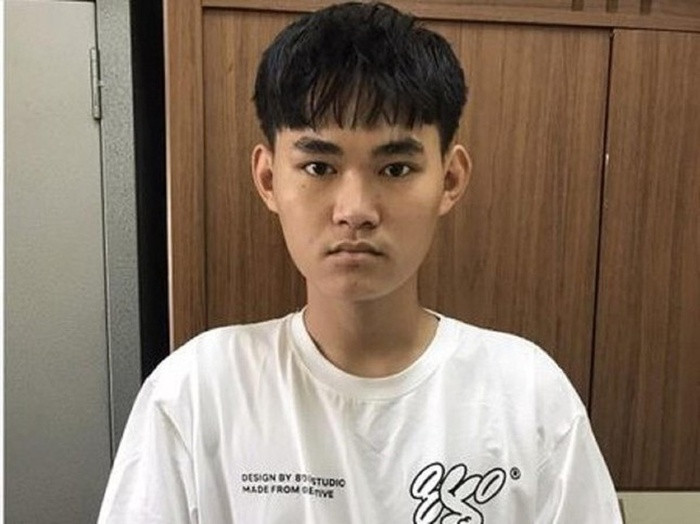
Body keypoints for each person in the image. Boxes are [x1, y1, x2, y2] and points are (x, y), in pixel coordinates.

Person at [98, 2, 622, 522]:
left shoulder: (527, 395)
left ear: (450, 179)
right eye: (318, 166)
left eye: (395, 169)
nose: (355, 211)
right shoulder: (197, 391)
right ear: (268, 179)